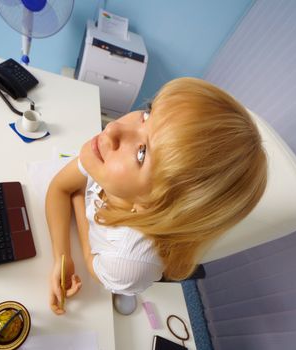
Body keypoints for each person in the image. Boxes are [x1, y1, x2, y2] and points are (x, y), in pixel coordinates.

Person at [45, 77, 267, 315]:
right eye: (148, 114)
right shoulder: (106, 157)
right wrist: (62, 256)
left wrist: (77, 197)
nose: (111, 129)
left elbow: (92, 264)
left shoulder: (128, 263)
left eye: (142, 153)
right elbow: (60, 187)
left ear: (154, 205)